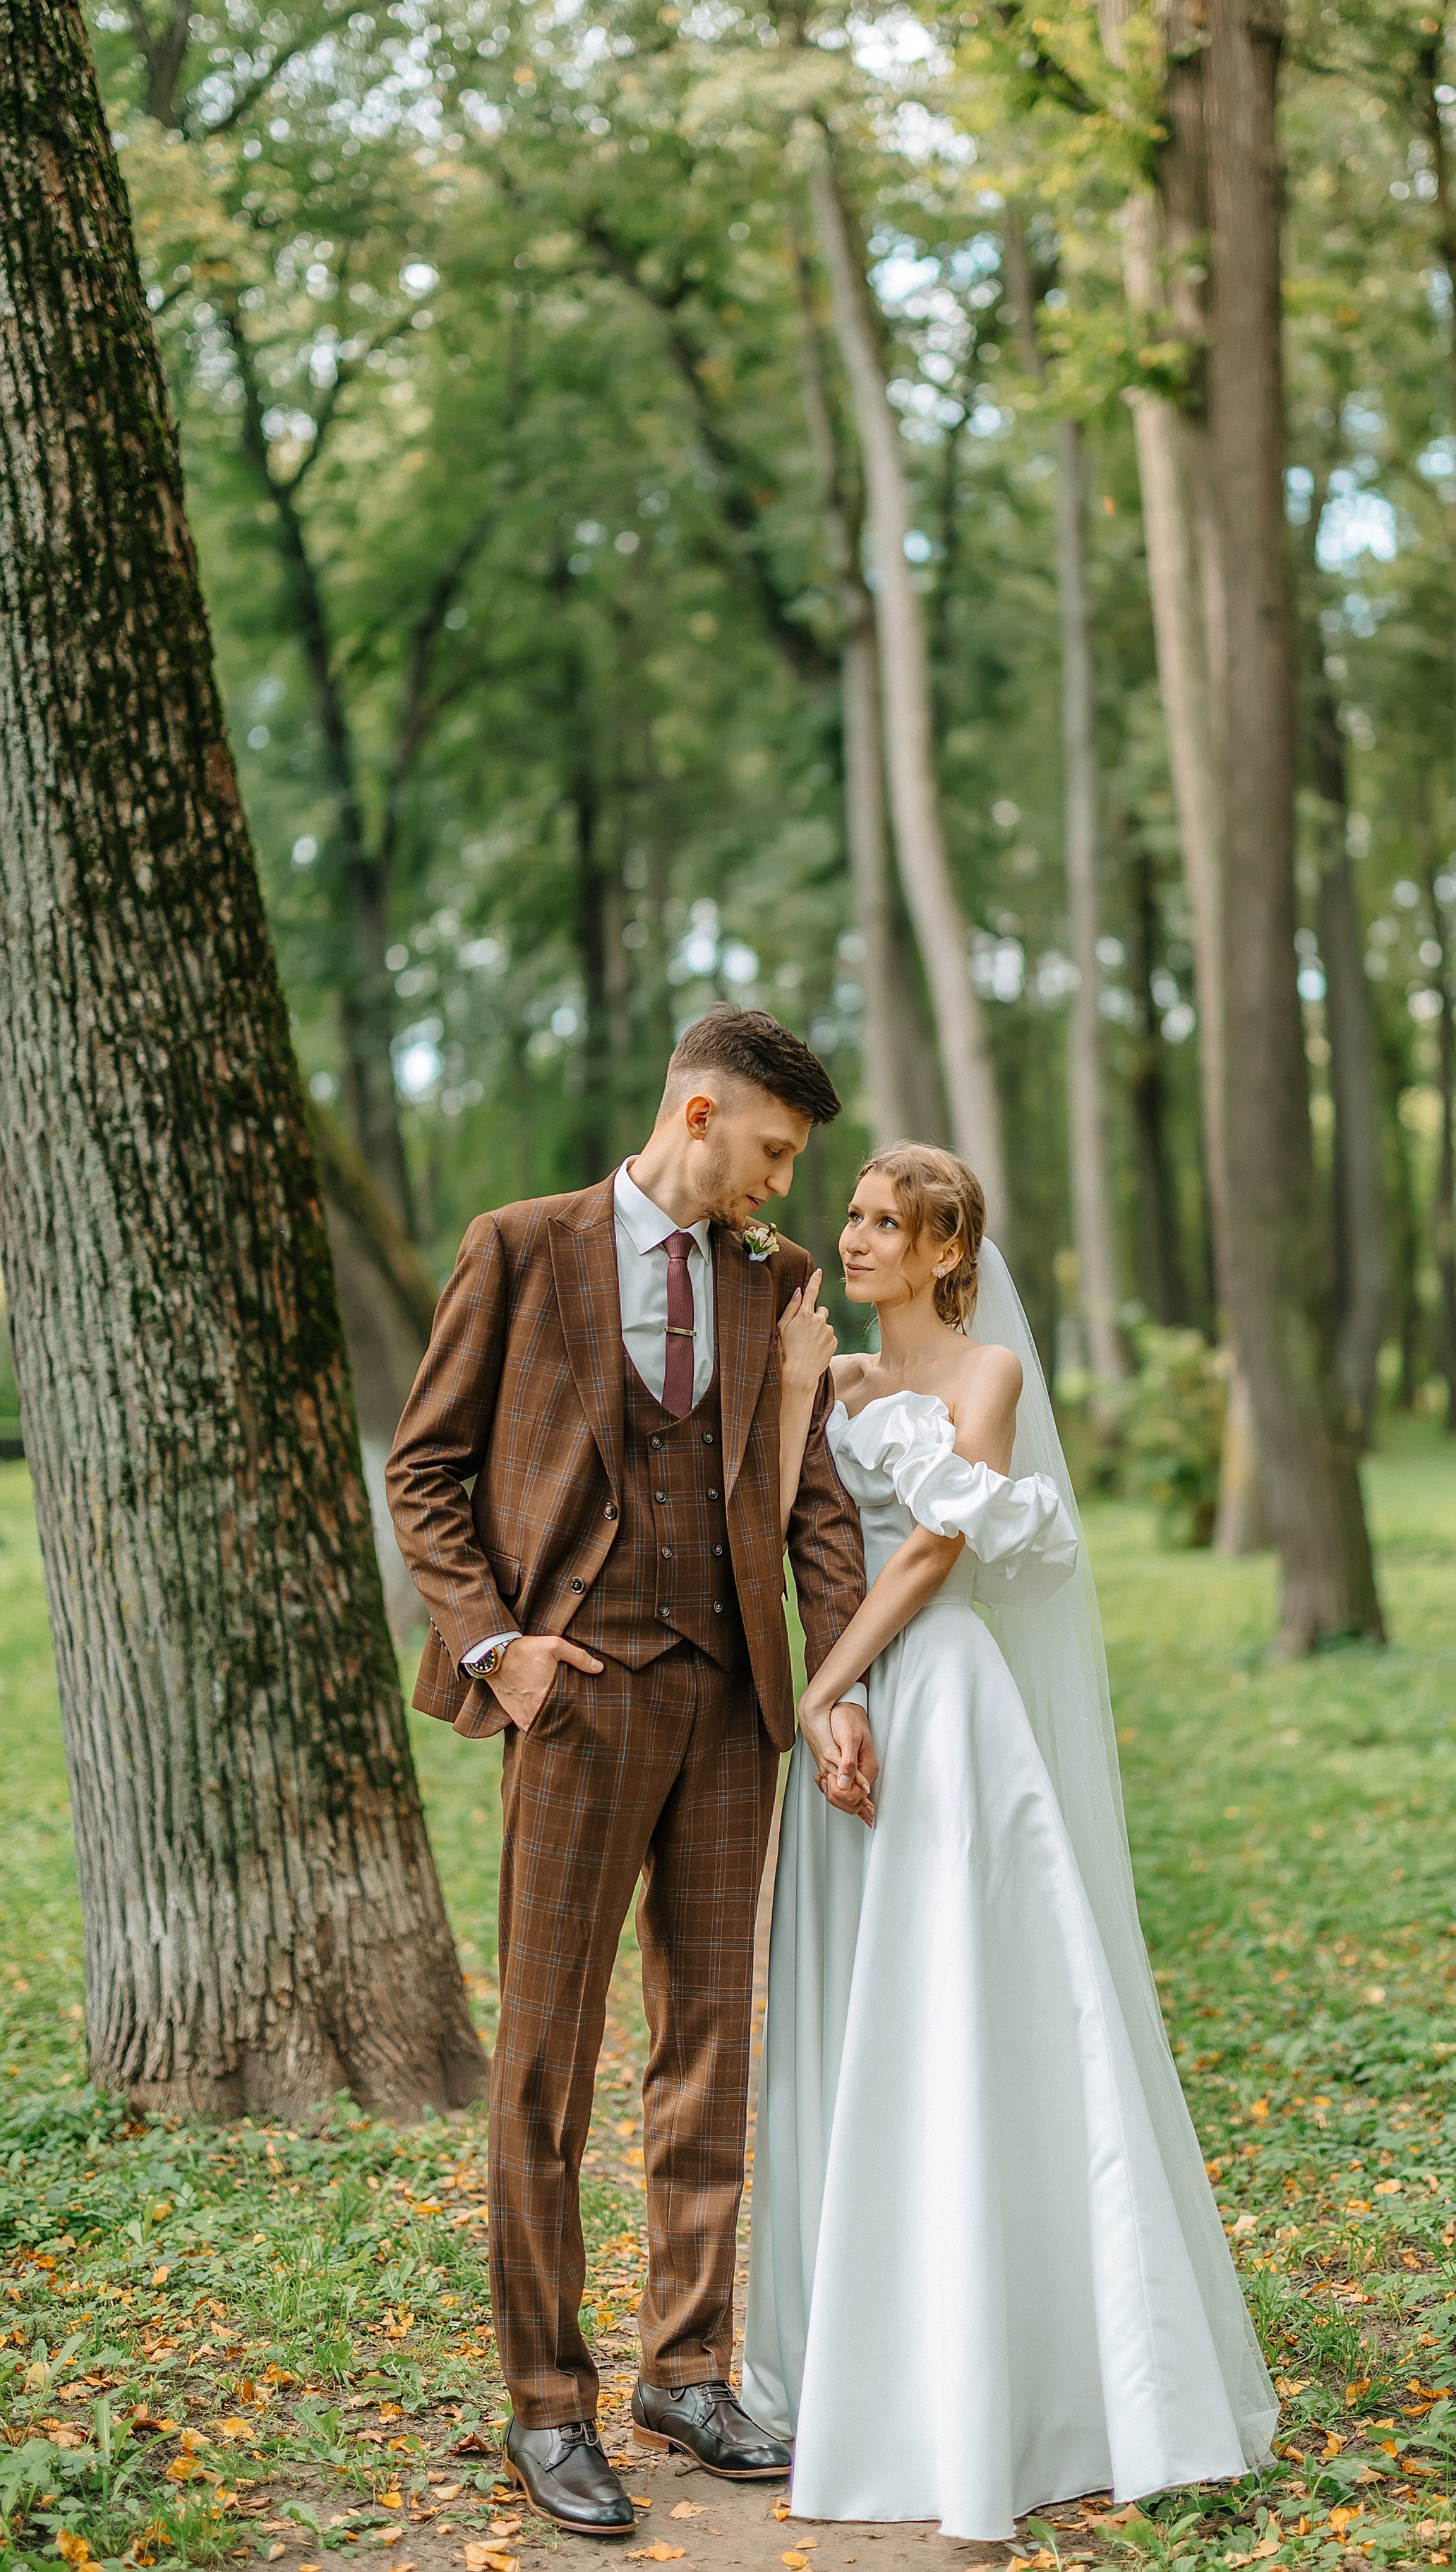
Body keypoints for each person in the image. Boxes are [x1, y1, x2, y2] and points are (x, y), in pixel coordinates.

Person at [742, 1145, 1278, 2540]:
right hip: (857, 1704)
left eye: (882, 1223)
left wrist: (826, 1686)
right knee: (857, 2019)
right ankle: (864, 2360)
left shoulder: (984, 1378)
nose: (852, 1239)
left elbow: (930, 1553)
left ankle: (1027, 2370)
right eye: (849, 1215)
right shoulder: (841, 1384)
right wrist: (832, 1690)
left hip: (947, 1697)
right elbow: (804, 1533)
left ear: (942, 1252)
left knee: (972, 2009)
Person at [387, 1009, 870, 2537]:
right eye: (773, 1154)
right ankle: (546, 2406)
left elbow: (810, 1501)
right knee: (542, 2061)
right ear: (699, 1108)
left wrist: (838, 1675)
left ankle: (685, 2369)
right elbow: (425, 1467)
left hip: (731, 1710)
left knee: (710, 2046)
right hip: (574, 1707)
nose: (782, 1188)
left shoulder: (773, 1280)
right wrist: (497, 1649)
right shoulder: (521, 1248)